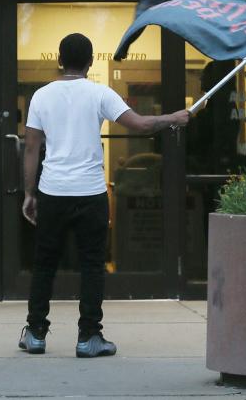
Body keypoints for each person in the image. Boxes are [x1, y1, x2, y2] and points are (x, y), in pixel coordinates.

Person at [18, 33, 190, 358]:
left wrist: (29, 193)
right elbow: (139, 124)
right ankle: (89, 337)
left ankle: (36, 334)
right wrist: (174, 118)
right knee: (93, 265)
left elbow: (31, 147)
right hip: (90, 191)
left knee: (44, 265)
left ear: (59, 59)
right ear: (91, 61)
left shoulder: (41, 96)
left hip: (52, 191)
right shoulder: (99, 93)